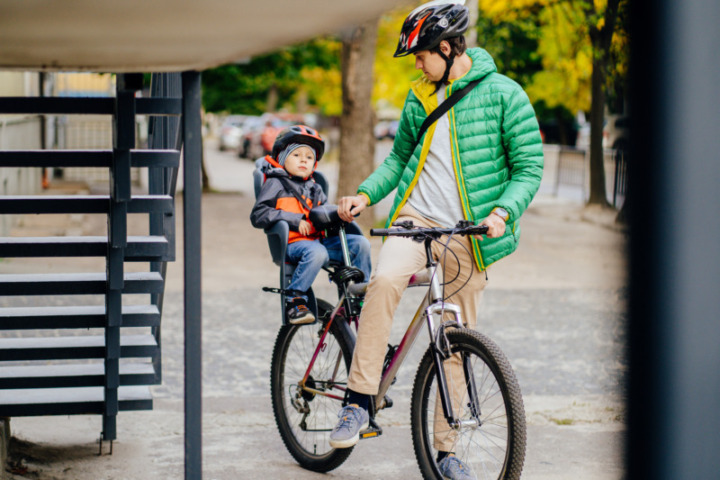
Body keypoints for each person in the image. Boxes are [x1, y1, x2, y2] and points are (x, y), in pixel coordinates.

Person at [330, 1, 544, 478]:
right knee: (385, 280)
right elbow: (397, 160)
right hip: (416, 215)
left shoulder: (505, 95)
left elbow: (529, 167)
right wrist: (365, 194)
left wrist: (502, 212)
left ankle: (446, 453)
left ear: (446, 48)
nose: (419, 67)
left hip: (468, 231)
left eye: (423, 56)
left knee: (454, 338)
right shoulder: (419, 97)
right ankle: (360, 398)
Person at [251, 125, 372, 325]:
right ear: (282, 158)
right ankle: (295, 299)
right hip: (291, 245)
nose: (303, 160)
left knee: (360, 244)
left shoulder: (314, 187)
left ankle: (359, 295)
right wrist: (294, 220)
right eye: (296, 154)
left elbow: (323, 213)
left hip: (318, 243)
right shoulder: (275, 183)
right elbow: (259, 214)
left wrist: (341, 216)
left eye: (309, 157)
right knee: (317, 252)